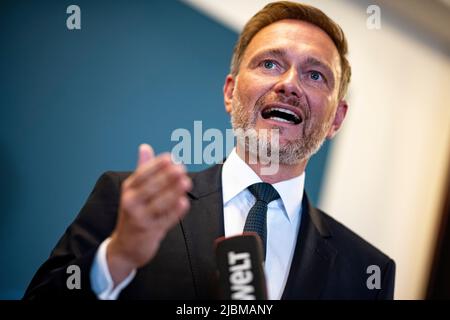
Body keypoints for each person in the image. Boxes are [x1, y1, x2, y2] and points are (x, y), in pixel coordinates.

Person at [24, 1, 395, 300]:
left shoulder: (365, 272)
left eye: (315, 75)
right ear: (230, 93)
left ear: (336, 119)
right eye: (270, 63)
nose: (288, 84)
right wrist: (117, 257)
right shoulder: (128, 201)